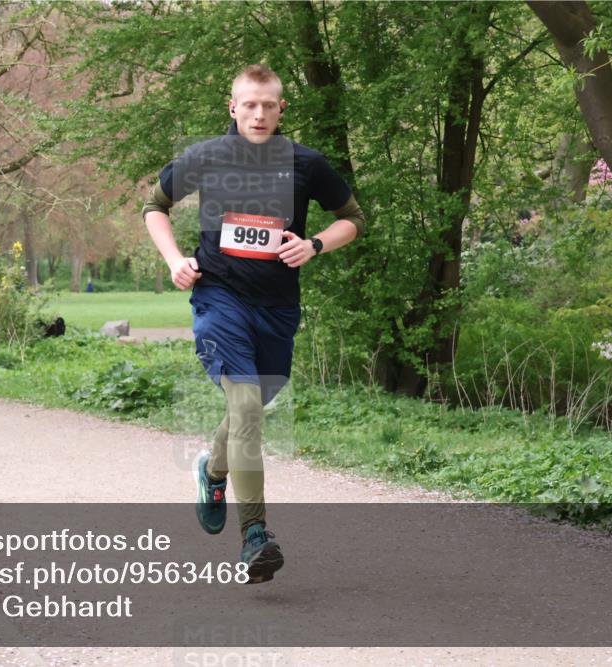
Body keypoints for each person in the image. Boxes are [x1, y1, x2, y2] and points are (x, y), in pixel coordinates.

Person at [142, 64, 365, 583]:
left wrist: (314, 244)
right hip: (219, 298)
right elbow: (155, 206)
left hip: (278, 307)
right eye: (249, 104)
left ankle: (212, 471)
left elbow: (353, 217)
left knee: (252, 408)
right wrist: (175, 259)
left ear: (281, 108)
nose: (259, 113)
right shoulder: (206, 157)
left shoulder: (306, 164)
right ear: (233, 107)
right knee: (245, 406)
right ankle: (256, 536)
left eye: (268, 105)